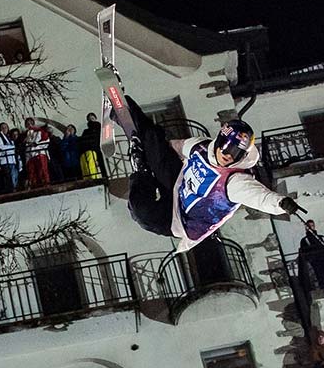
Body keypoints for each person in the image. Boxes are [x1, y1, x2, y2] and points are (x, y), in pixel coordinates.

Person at [103, 79, 298, 248]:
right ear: (219, 140)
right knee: (154, 138)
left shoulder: (236, 181)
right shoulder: (201, 147)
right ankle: (120, 107)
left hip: (179, 220)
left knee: (142, 213)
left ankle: (141, 171)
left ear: (243, 155)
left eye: (234, 152)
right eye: (224, 146)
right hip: (176, 183)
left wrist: (281, 203)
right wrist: (150, 148)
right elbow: (174, 146)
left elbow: (260, 197)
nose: (226, 154)